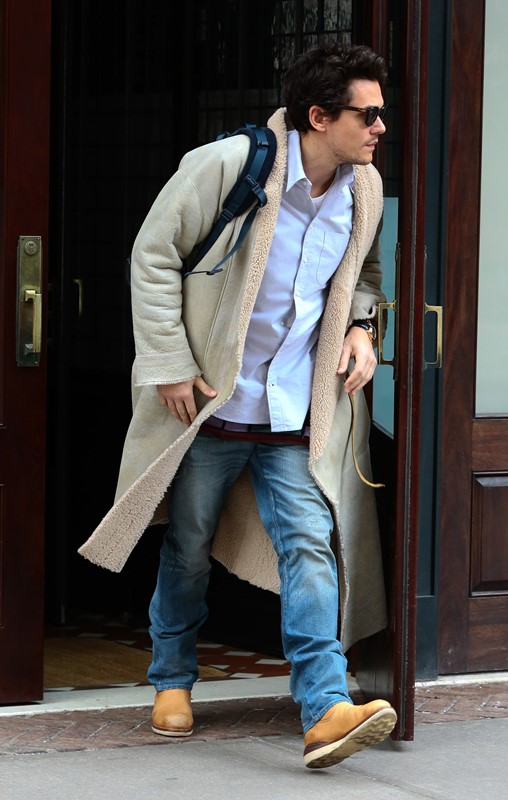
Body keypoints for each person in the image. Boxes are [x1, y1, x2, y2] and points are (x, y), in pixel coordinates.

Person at [79, 41, 396, 769]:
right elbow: (153, 255)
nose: (381, 127)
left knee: (311, 547)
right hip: (211, 405)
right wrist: (169, 363)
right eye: (367, 114)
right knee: (188, 546)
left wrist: (361, 328)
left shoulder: (364, 190)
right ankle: (172, 677)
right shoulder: (227, 165)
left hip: (294, 410)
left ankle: (324, 708)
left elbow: (367, 273)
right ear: (319, 117)